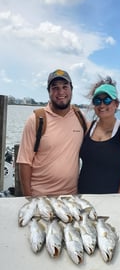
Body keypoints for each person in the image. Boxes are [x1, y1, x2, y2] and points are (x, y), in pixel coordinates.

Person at [16, 69, 86, 197]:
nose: (61, 92)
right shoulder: (36, 120)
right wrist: (29, 198)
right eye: (55, 88)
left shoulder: (80, 117)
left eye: (65, 87)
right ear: (49, 91)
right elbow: (24, 162)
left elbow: (98, 137)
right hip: (40, 196)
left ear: (72, 89)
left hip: (71, 197)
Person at [78, 76, 120, 194]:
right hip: (83, 194)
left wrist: (119, 197)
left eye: (107, 100)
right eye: (97, 100)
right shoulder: (87, 128)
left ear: (116, 104)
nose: (102, 105)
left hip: (111, 196)